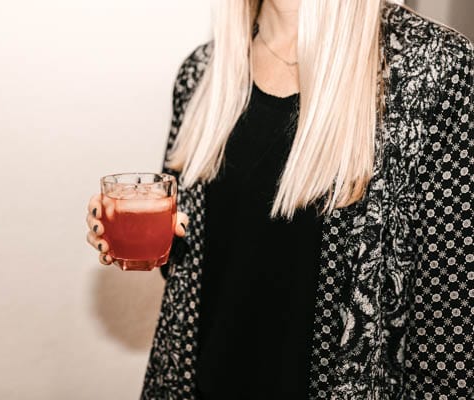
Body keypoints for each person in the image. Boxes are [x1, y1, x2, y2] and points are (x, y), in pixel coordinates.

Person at [86, 0, 473, 398]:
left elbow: (451, 327)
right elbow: (204, 266)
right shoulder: (202, 72)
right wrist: (142, 237)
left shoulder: (433, 69)